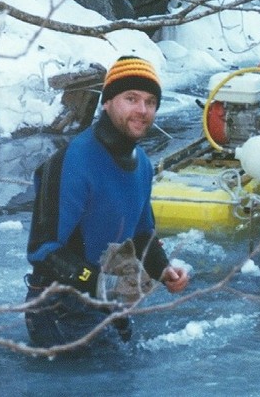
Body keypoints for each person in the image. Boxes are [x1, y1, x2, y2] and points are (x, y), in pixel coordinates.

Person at [24, 55, 189, 348]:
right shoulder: (72, 161)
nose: (142, 110)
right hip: (60, 309)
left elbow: (141, 233)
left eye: (150, 102)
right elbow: (43, 248)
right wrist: (101, 281)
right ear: (107, 103)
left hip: (108, 303)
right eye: (131, 98)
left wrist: (163, 269)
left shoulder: (143, 165)